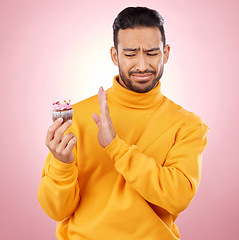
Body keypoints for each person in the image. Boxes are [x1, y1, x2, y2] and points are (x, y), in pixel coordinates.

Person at [38, 6, 209, 240]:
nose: (141, 66)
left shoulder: (188, 125)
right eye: (130, 54)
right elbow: (56, 210)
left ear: (165, 53)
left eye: (151, 53)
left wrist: (115, 146)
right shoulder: (78, 116)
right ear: (115, 55)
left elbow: (178, 198)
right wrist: (61, 164)